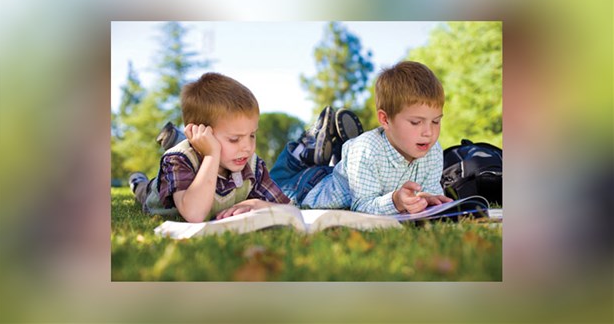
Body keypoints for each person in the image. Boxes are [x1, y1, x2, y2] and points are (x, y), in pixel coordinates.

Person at [270, 61, 453, 215]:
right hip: (309, 188)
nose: (429, 132)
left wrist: (431, 202)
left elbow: (430, 194)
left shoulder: (433, 149)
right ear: (385, 119)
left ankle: (340, 151)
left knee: (354, 158)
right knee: (275, 185)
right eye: (416, 122)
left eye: (436, 121)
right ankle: (305, 148)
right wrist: (396, 201)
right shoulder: (367, 149)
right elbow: (362, 206)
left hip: (351, 173)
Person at [128, 72, 291, 223]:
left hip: (203, 150)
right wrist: (211, 155)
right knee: (144, 191)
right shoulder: (178, 159)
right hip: (157, 193)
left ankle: (177, 137)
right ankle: (138, 181)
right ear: (201, 134)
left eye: (252, 135)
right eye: (234, 139)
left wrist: (259, 204)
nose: (248, 147)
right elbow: (195, 214)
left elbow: (288, 208)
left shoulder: (252, 165)